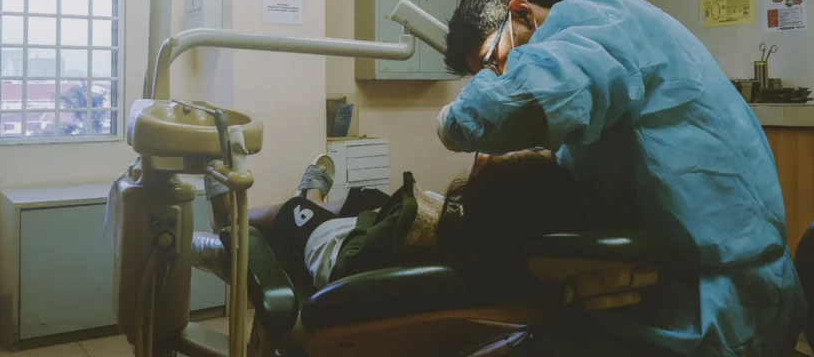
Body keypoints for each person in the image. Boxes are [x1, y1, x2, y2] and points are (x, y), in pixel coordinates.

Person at [436, 0, 807, 356]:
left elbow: (522, 98)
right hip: (698, 283)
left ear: (522, 13)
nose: (499, 77)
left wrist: (451, 122)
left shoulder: (597, 19)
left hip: (722, 305)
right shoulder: (590, 52)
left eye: (490, 61)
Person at [200, 149, 582, 292]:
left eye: (509, 160)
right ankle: (314, 196)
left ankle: (232, 215)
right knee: (367, 195)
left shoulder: (421, 235)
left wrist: (371, 221)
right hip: (387, 222)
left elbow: (353, 256)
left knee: (289, 213)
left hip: (336, 244)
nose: (485, 158)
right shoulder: (502, 244)